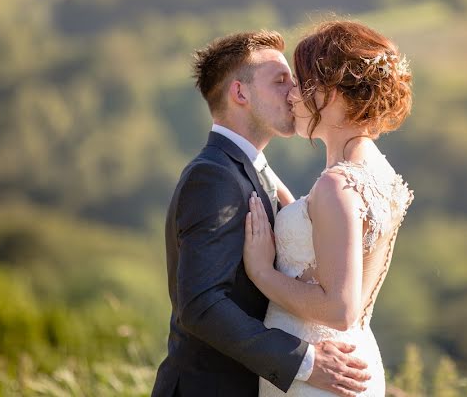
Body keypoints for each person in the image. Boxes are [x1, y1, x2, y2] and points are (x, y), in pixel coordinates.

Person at [151, 30, 371, 397]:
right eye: (280, 81)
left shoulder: (250, 169)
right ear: (240, 94)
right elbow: (201, 305)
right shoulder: (213, 176)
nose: (295, 93)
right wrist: (305, 361)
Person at [244, 20, 415, 397]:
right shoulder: (377, 173)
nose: (291, 96)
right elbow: (326, 233)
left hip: (318, 374)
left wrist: (260, 272)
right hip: (353, 361)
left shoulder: (336, 185)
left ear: (331, 92)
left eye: (302, 83)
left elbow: (340, 309)